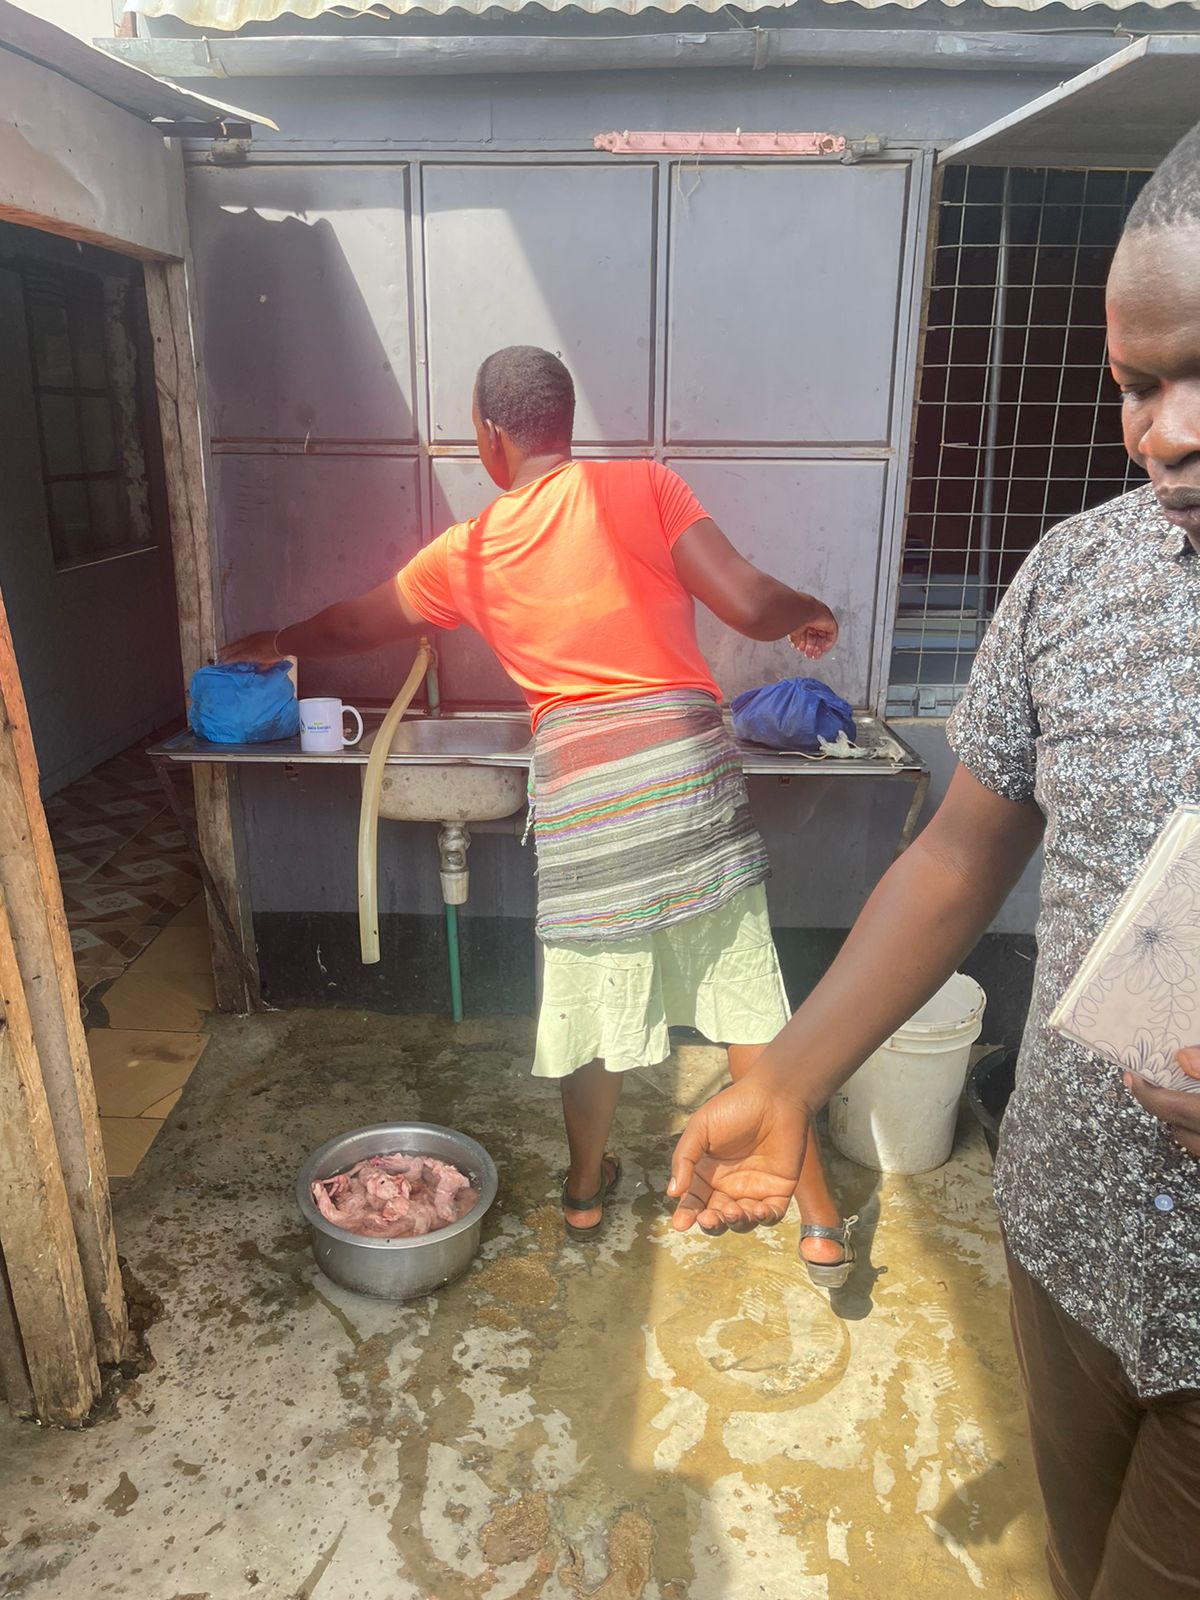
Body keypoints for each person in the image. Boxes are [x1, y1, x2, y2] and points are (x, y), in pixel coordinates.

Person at [667, 124, 1200, 1600]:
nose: (1167, 433)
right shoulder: (1080, 577)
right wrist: (788, 1075)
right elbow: (959, 857)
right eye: (1138, 384)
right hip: (1070, 1240)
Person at [223, 345, 855, 1276]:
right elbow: (752, 600)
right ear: (564, 421)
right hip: (687, 772)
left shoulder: (471, 551)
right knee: (741, 992)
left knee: (590, 1010)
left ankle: (587, 1196)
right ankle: (819, 1220)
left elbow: (356, 624)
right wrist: (810, 607)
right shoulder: (643, 487)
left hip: (588, 791)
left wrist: (274, 639)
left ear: (490, 433)